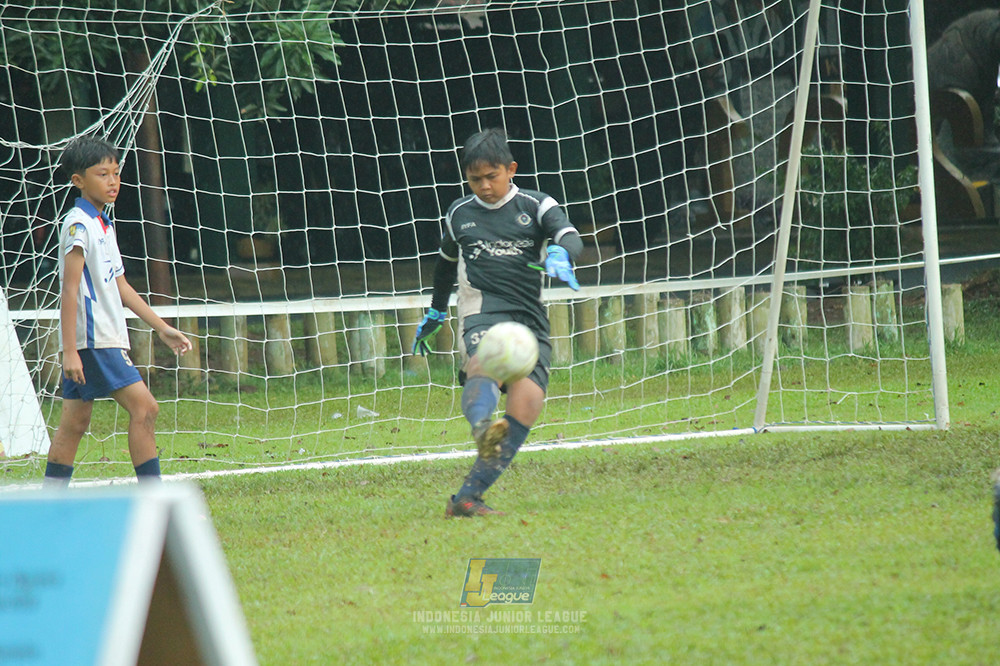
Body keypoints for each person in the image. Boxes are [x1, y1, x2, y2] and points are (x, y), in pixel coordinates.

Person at [412, 128, 583, 517]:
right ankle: (481, 428)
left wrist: (560, 253)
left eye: (492, 176)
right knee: (483, 363)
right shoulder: (460, 213)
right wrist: (437, 310)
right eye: (475, 179)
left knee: (528, 402)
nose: (485, 187)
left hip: (529, 319)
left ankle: (467, 498)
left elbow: (569, 234)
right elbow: (444, 265)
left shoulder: (535, 205)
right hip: (481, 312)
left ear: (510, 169)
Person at [43, 136, 192, 486]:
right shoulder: (79, 225)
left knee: (75, 422)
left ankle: (50, 501)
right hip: (95, 340)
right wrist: (69, 351)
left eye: (116, 173)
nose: (112, 181)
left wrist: (161, 327)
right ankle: (152, 499)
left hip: (102, 337)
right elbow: (69, 288)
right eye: (102, 174)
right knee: (146, 408)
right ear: (78, 181)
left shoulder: (103, 224)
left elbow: (120, 286)